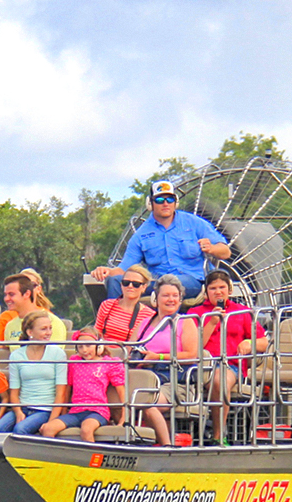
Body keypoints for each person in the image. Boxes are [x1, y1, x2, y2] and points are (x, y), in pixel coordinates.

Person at [90, 181, 231, 298]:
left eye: (170, 199)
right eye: (159, 200)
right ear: (150, 204)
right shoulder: (141, 234)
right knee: (116, 281)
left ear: (175, 202)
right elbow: (124, 269)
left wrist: (211, 248)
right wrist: (107, 271)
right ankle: (114, 326)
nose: (165, 204)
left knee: (170, 285)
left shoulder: (194, 222)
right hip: (156, 283)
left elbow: (225, 252)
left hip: (191, 281)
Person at [186, 269, 269, 441]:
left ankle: (218, 435)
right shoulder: (195, 313)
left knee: (219, 380)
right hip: (201, 364)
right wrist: (213, 321)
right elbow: (195, 345)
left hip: (230, 364)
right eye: (213, 288)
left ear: (229, 290)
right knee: (214, 377)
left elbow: (264, 343)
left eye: (222, 287)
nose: (218, 291)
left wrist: (249, 343)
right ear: (206, 292)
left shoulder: (243, 312)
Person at [41, 329, 124, 443]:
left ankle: (92, 457)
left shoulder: (108, 363)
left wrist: (123, 419)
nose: (84, 350)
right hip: (76, 411)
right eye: (80, 347)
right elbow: (67, 389)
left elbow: (121, 392)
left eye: (89, 345)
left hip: (97, 411)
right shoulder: (75, 362)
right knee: (48, 429)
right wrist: (64, 411)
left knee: (86, 429)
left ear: (99, 346)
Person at [0, 311, 69, 435]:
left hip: (45, 410)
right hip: (23, 407)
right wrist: (18, 412)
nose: (49, 333)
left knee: (20, 429)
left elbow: (61, 394)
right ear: (30, 332)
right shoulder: (16, 355)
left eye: (50, 328)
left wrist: (51, 421)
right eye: (44, 329)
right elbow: (14, 392)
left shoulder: (58, 354)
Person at [135, 275, 203, 383]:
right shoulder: (144, 323)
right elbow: (129, 352)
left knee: (147, 398)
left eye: (175, 296)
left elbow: (191, 355)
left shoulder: (186, 321)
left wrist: (159, 357)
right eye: (166, 295)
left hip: (172, 380)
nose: (171, 299)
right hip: (142, 376)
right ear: (155, 298)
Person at [0, 272, 67, 342]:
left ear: (27, 294)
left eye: (11, 294)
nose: (6, 299)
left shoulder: (52, 322)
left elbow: (55, 353)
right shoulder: (10, 326)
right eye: (5, 295)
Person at [93, 263, 155, 344]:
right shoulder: (107, 305)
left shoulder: (149, 315)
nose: (130, 286)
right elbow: (96, 334)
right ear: (121, 285)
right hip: (104, 353)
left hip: (127, 354)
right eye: (126, 282)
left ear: (144, 287)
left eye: (136, 284)